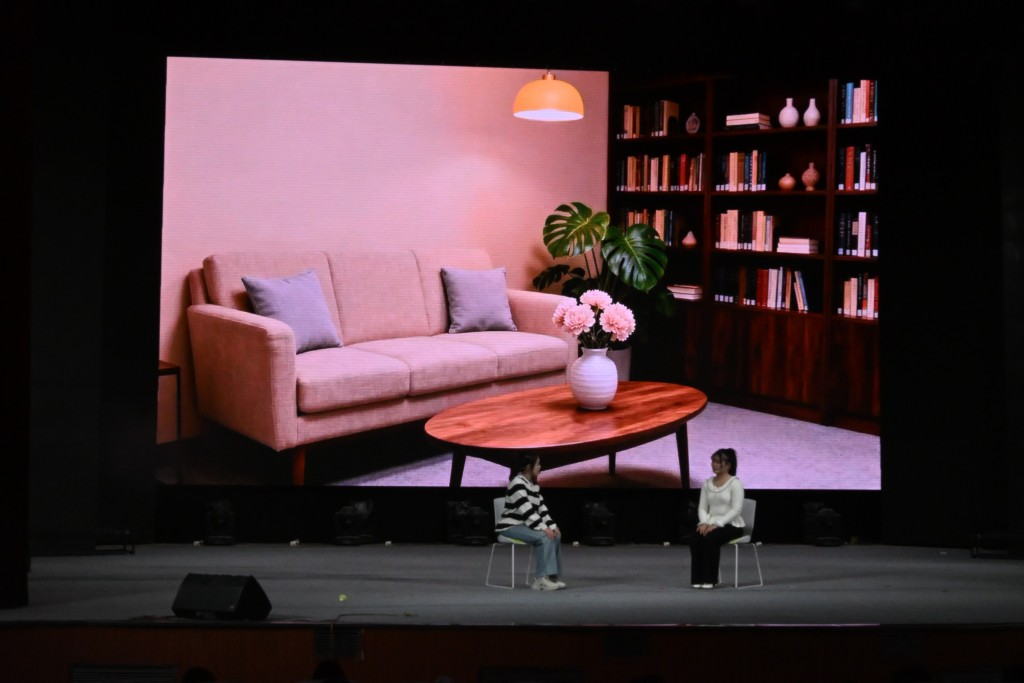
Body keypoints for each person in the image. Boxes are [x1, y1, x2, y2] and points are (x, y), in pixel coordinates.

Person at [495, 454, 565, 590]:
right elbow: (527, 511)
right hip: (509, 527)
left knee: (555, 534)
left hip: (524, 525)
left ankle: (551, 577)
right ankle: (540, 580)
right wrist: (543, 528)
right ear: (528, 467)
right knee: (544, 536)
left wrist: (552, 526)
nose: (540, 467)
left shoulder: (533, 485)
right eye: (538, 464)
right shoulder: (517, 483)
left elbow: (542, 509)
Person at [689, 447, 746, 589]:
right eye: (713, 461)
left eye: (718, 462)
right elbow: (702, 507)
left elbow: (736, 509)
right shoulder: (707, 483)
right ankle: (698, 578)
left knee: (711, 538)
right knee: (696, 537)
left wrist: (718, 524)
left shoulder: (735, 483)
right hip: (710, 523)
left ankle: (710, 579)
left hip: (732, 525)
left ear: (728, 465)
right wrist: (703, 522)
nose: (714, 464)